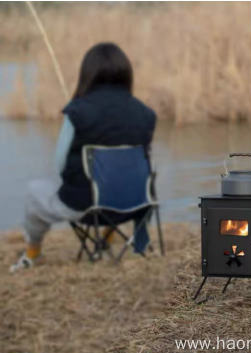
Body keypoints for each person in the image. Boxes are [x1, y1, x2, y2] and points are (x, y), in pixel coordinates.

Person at [10, 42, 156, 273]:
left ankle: (33, 251)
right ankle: (117, 237)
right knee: (121, 180)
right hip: (134, 205)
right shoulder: (146, 114)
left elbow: (59, 165)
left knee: (33, 192)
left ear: (87, 74)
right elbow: (144, 165)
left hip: (86, 208)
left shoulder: (77, 111)